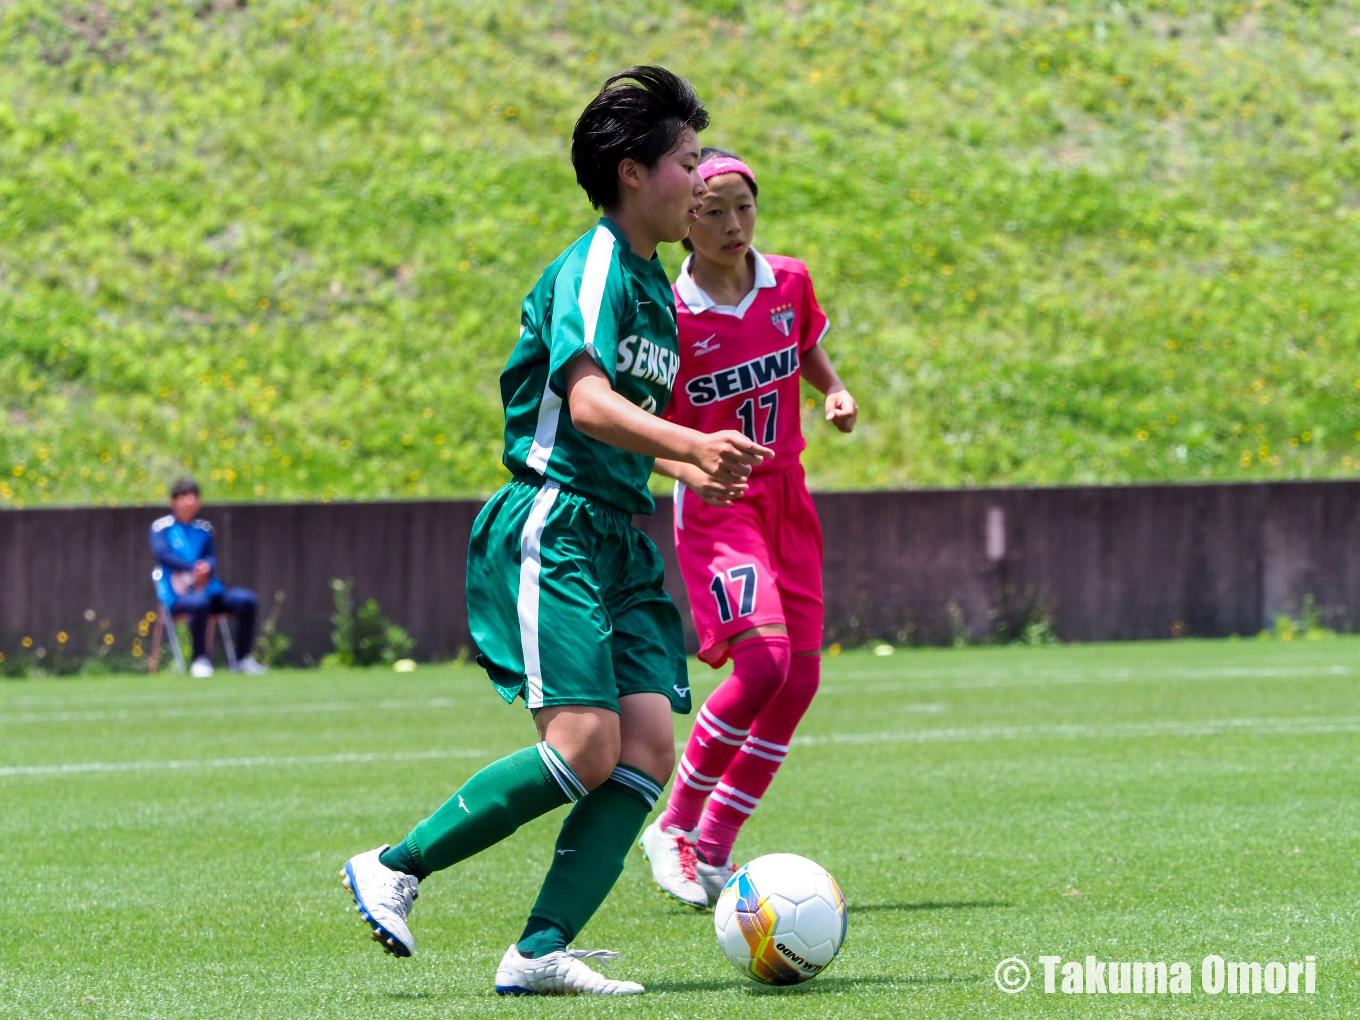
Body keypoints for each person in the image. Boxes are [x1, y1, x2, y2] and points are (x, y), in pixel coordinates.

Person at [340, 68, 772, 996]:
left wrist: (680, 462)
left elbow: (623, 427)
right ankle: (396, 865)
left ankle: (537, 951)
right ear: (631, 173)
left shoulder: (656, 291)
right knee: (584, 745)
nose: (701, 183)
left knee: (650, 747)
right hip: (554, 526)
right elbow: (585, 406)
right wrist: (692, 441)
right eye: (687, 163)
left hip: (619, 533)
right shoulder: (595, 266)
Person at [640, 148, 858, 908]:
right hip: (718, 504)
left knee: (799, 680)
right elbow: (643, 427)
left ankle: (714, 848)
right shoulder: (668, 316)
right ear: (683, 222)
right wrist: (687, 468)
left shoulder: (788, 280)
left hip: (788, 498)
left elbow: (805, 349)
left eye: (745, 207)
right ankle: (673, 826)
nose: (734, 225)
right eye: (713, 211)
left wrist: (833, 391)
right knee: (762, 666)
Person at [149, 478, 267, 677]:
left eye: (193, 497)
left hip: (208, 591)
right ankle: (200, 660)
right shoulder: (161, 527)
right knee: (199, 603)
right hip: (177, 597)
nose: (189, 502)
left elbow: (211, 558)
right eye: (183, 497)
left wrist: (206, 568)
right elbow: (162, 554)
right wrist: (193, 568)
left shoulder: (204, 529)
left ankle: (242, 659)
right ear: (173, 502)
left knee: (246, 600)